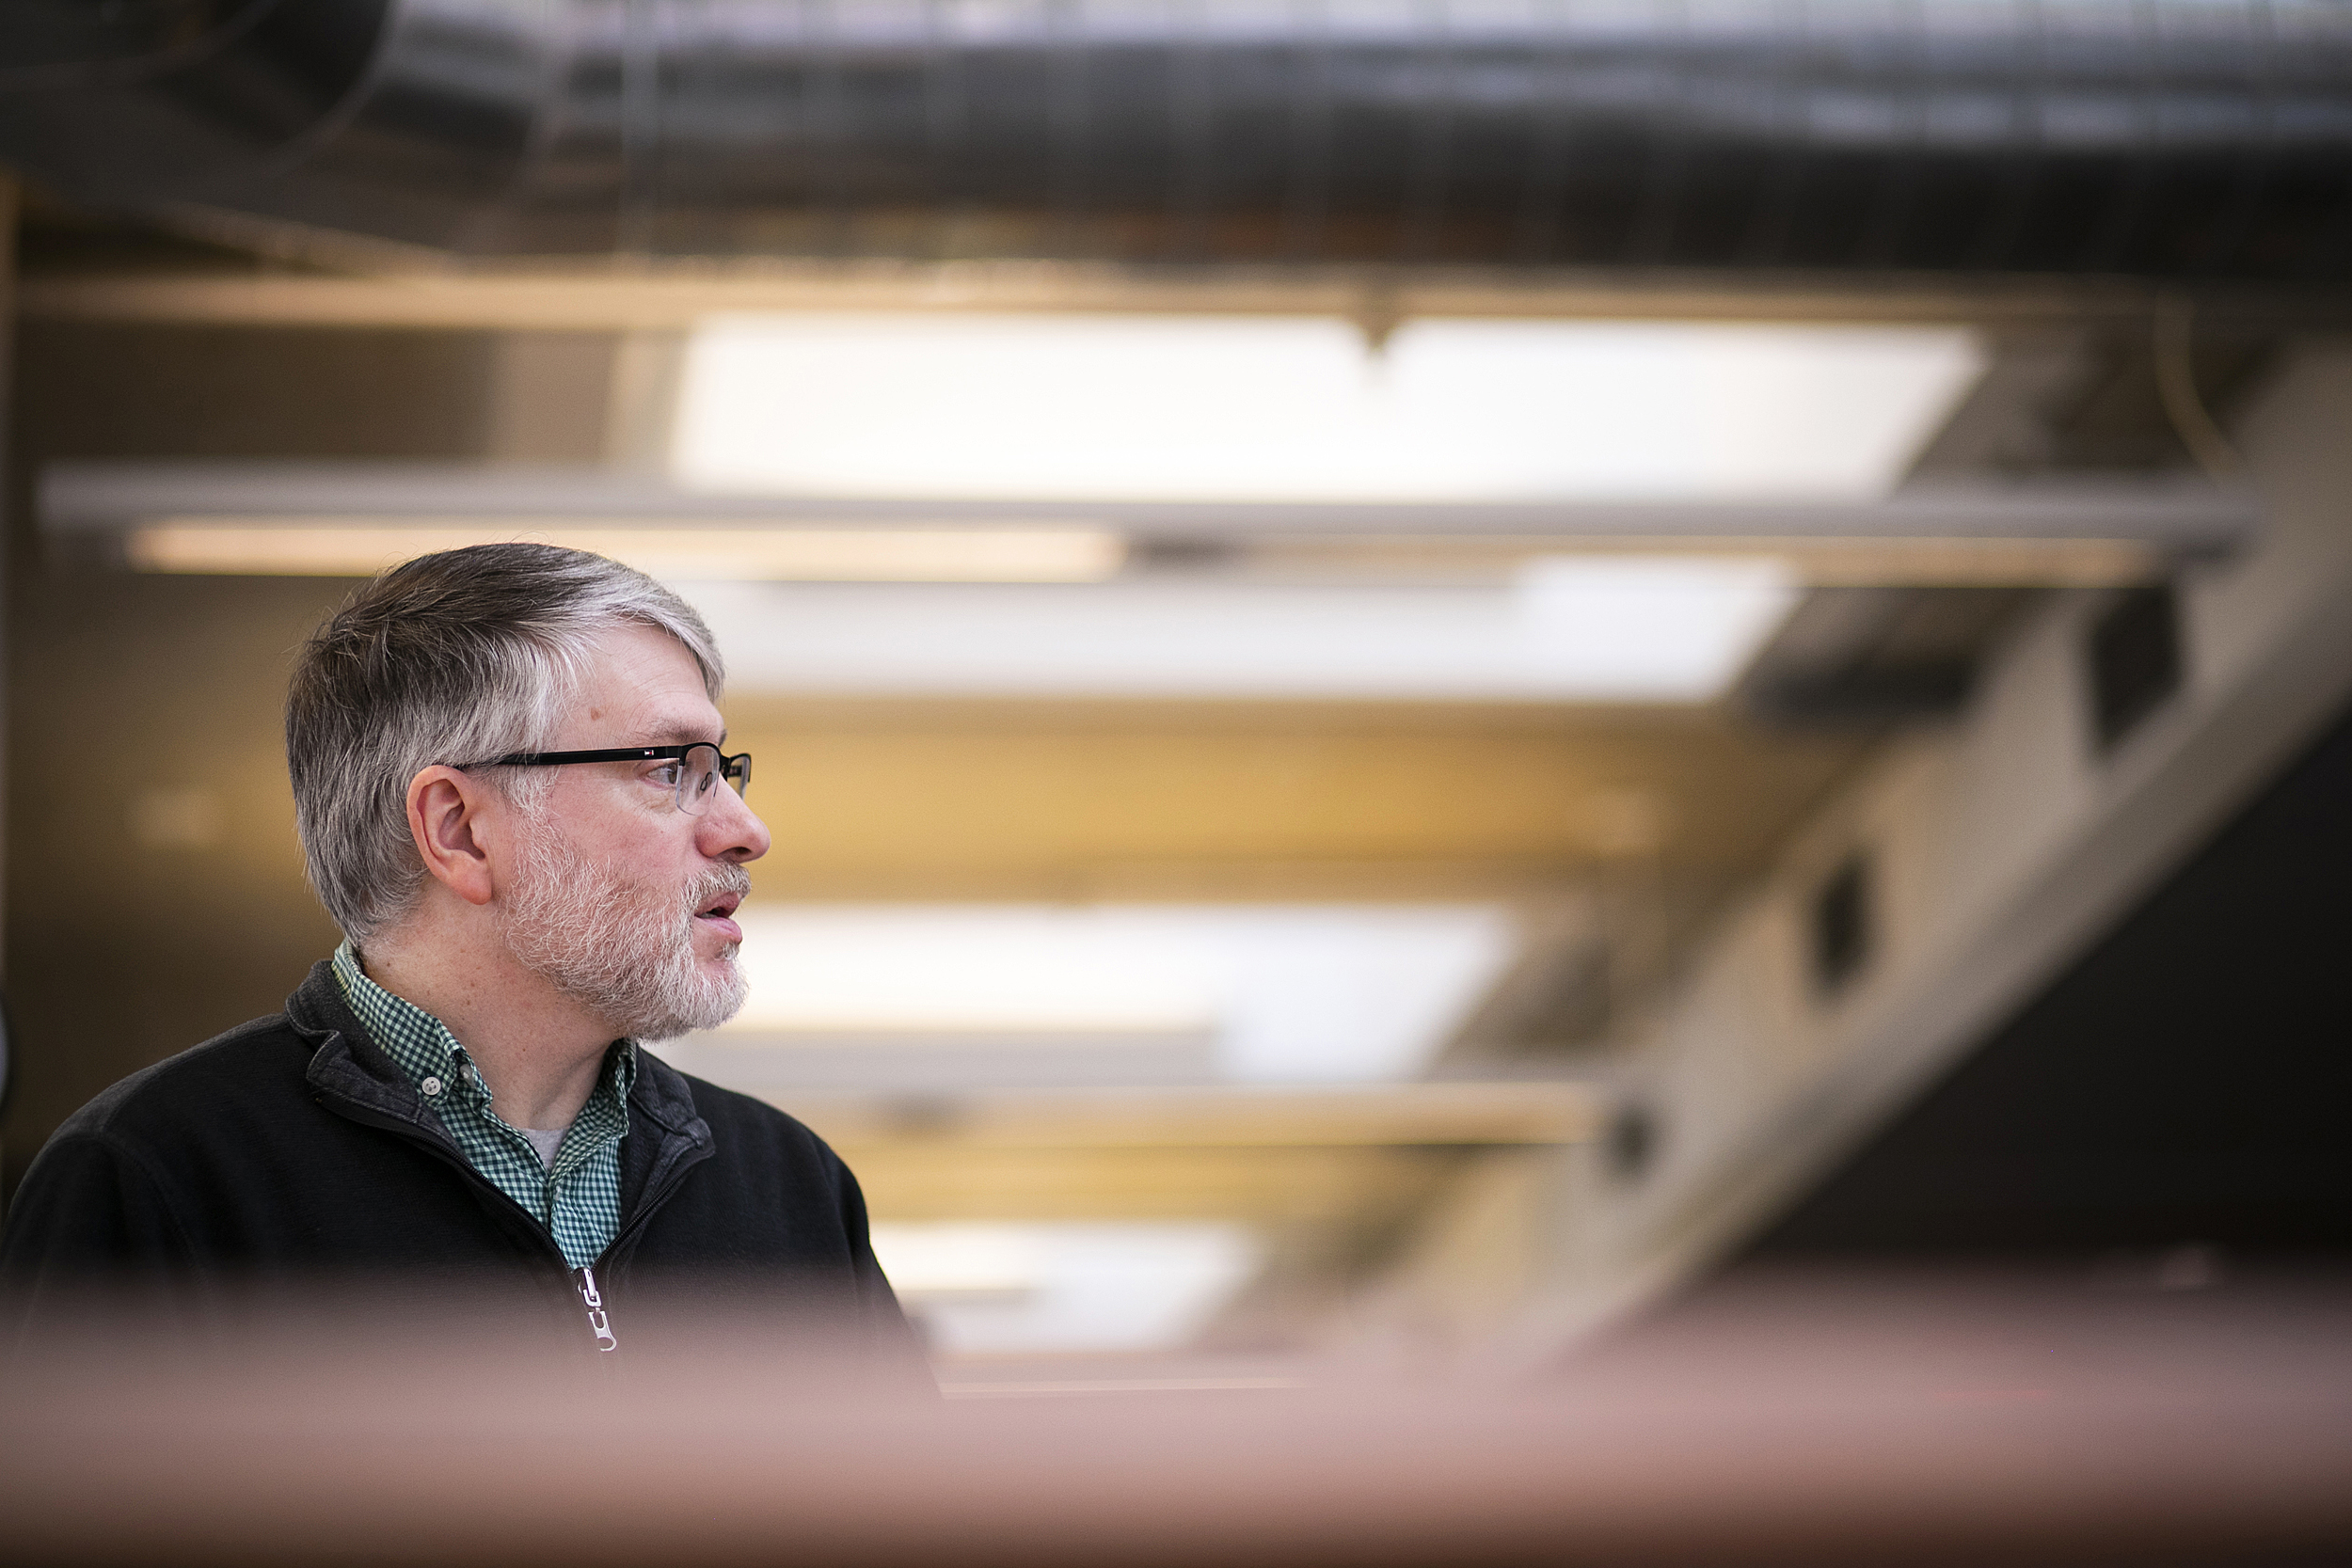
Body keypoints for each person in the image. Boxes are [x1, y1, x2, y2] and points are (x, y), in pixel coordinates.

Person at [0, 544, 922, 1380]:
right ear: (459, 829)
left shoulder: (788, 1183)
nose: (745, 829)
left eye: (723, 769)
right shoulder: (158, 1178)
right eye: (666, 768)